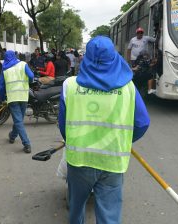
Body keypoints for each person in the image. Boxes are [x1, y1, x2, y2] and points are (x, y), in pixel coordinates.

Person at [58, 36, 150, 224]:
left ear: (86, 58)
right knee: (109, 215)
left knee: (76, 208)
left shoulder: (70, 85)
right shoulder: (128, 87)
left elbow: (63, 125)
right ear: (114, 56)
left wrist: (76, 140)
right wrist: (122, 139)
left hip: (79, 160)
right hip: (113, 160)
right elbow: (142, 123)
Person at [0, 50, 34, 153]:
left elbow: (1, 87)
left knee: (18, 121)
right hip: (23, 96)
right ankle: (12, 136)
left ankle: (27, 144)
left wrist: (2, 99)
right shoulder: (23, 64)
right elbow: (31, 76)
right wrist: (29, 82)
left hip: (12, 98)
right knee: (19, 120)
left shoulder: (4, 69)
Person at [127, 27, 156, 94]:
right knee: (135, 72)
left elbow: (156, 40)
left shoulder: (146, 38)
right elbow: (129, 49)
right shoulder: (133, 40)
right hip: (134, 59)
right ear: (136, 33)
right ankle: (134, 87)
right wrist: (128, 59)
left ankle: (143, 87)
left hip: (143, 58)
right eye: (138, 33)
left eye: (141, 33)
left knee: (145, 72)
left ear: (143, 33)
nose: (140, 34)